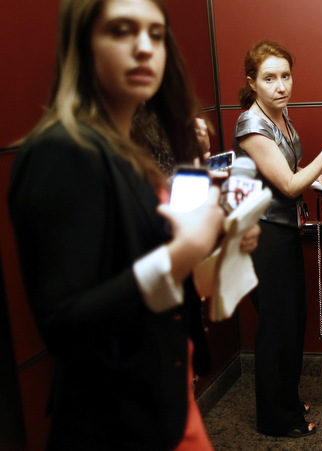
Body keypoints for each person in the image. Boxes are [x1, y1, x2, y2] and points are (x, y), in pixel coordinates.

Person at [6, 0, 254, 448]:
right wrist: (183, 252)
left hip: (163, 393)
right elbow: (65, 323)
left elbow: (150, 273)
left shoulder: (127, 152)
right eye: (121, 31)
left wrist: (219, 240)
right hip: (115, 419)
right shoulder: (61, 152)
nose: (144, 48)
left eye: (156, 35)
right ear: (81, 46)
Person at [233, 40, 322, 438]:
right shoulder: (252, 125)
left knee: (291, 322)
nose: (280, 85)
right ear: (252, 83)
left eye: (285, 76)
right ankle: (275, 418)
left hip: (284, 230)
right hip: (263, 235)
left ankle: (285, 396)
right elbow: (287, 185)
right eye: (269, 78)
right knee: (276, 327)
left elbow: (287, 167)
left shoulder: (280, 117)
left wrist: (313, 176)